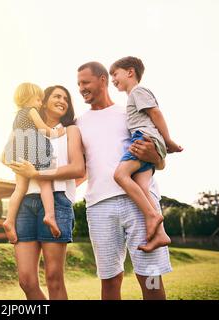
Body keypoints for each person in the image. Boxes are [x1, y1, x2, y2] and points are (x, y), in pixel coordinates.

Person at [76, 61, 172, 300]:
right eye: (78, 84)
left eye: (85, 82)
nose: (81, 88)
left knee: (150, 277)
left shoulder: (129, 111)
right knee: (109, 280)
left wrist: (158, 159)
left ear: (102, 81)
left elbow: (156, 157)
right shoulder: (78, 124)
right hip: (99, 207)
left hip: (138, 203)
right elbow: (80, 169)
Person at [7, 85, 85, 299]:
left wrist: (38, 173)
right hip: (24, 203)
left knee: (53, 277)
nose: (62, 100)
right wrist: (20, 166)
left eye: (66, 98)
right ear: (43, 100)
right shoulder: (26, 126)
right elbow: (5, 156)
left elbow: (79, 169)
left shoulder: (70, 131)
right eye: (56, 96)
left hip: (56, 201)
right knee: (26, 280)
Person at [110, 56, 182, 251]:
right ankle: (161, 234)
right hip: (148, 139)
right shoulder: (133, 96)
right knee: (142, 185)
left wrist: (168, 141)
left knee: (120, 175)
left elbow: (156, 113)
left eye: (115, 74)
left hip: (143, 138)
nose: (113, 79)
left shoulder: (138, 91)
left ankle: (152, 215)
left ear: (130, 72)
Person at [2, 82, 66, 244]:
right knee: (45, 183)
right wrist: (58, 132)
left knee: (19, 188)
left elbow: (10, 144)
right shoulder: (31, 111)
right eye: (39, 100)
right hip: (35, 150)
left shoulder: (16, 117)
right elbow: (44, 130)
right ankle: (50, 215)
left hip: (19, 154)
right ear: (30, 99)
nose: (40, 103)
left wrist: (8, 159)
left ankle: (9, 220)